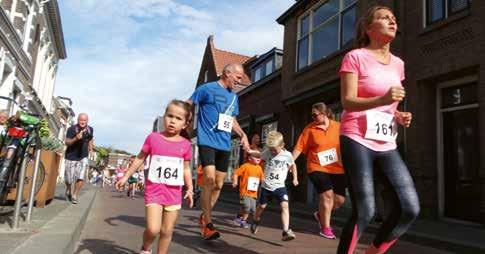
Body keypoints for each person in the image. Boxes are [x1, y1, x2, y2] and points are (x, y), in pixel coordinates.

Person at [337, 6, 419, 254]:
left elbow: (389, 104)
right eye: (384, 18)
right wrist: (382, 101)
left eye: (394, 18)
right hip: (356, 135)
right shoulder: (355, 57)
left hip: (385, 141)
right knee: (366, 210)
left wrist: (398, 114)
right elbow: (348, 101)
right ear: (369, 28)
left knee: (409, 208)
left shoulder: (398, 64)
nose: (392, 21)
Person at [116, 99, 194, 254]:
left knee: (167, 231)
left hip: (174, 193)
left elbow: (186, 169)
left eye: (178, 118)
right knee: (153, 229)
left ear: (185, 124)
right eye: (169, 115)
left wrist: (190, 188)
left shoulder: (186, 144)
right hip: (154, 191)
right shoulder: (153, 138)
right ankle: (146, 248)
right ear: (164, 116)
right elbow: (140, 158)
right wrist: (125, 177)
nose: (172, 121)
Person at [188, 63, 250, 240]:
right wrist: (187, 117)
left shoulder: (234, 97)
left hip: (224, 144)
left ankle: (203, 216)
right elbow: (188, 103)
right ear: (227, 73)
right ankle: (208, 224)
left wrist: (242, 135)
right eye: (238, 77)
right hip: (207, 141)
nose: (239, 81)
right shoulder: (207, 88)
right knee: (208, 179)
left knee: (219, 184)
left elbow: (232, 119)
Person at [292, 102, 346, 239]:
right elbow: (299, 147)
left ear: (324, 113)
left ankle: (320, 214)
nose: (313, 118)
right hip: (317, 166)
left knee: (339, 200)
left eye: (315, 115)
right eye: (312, 115)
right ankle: (325, 228)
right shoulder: (309, 129)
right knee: (327, 195)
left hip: (337, 167)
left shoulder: (338, 126)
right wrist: (290, 161)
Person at [251, 131, 298, 241]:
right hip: (266, 186)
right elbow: (259, 154)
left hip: (280, 186)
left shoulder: (287, 155)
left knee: (285, 206)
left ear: (282, 145)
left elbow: (293, 166)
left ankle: (286, 231)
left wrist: (295, 178)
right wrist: (250, 151)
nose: (272, 152)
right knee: (261, 207)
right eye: (270, 149)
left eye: (274, 150)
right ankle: (255, 220)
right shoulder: (267, 152)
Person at [64, 113, 94, 204]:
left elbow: (90, 139)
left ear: (87, 121)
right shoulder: (72, 129)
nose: (82, 122)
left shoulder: (90, 129)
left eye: (84, 120)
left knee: (80, 177)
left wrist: (91, 149)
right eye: (81, 120)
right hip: (71, 156)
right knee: (69, 179)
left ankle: (75, 195)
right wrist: (75, 138)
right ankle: (69, 189)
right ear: (78, 120)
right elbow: (67, 142)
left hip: (83, 156)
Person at [232, 150, 264, 228]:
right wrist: (235, 181)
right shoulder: (245, 166)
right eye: (256, 157)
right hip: (244, 191)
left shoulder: (259, 168)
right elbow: (236, 173)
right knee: (247, 206)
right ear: (250, 158)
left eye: (259, 157)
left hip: (254, 193)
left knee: (252, 209)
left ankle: (241, 218)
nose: (258, 158)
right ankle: (242, 220)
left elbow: (262, 179)